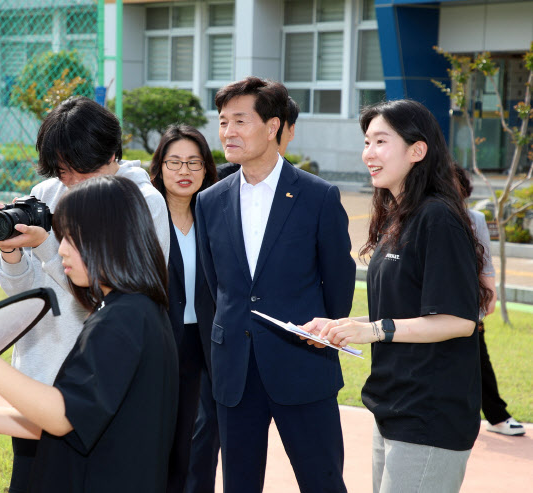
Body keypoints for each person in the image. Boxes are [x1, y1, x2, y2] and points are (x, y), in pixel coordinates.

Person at [0, 175, 178, 492]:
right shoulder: (137, 310)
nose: (61, 250)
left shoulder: (121, 320)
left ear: (108, 238)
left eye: (71, 238)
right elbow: (78, 422)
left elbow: (63, 416)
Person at [304, 99, 493, 493]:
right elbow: (402, 312)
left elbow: (458, 320)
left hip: (429, 415)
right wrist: (341, 326)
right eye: (367, 141)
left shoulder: (437, 217)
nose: (368, 153)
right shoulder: (398, 215)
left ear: (417, 150)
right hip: (392, 408)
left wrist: (372, 330)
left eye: (380, 141)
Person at [0, 96, 170, 491]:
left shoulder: (142, 202)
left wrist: (49, 246)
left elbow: (119, 285)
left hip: (97, 377)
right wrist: (12, 251)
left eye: (75, 168)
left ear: (108, 152)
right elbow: (28, 292)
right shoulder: (47, 191)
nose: (67, 179)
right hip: (41, 366)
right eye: (60, 167)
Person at [194, 76, 356, 493]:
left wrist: (324, 334)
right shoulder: (210, 200)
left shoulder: (318, 196)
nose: (228, 131)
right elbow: (215, 287)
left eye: (240, 121)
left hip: (303, 365)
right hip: (234, 372)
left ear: (272, 127)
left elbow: (338, 281)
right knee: (239, 484)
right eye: (223, 121)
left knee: (322, 481)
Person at [148, 124, 217, 492]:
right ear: (159, 168)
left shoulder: (215, 217)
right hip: (159, 340)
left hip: (202, 343)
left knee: (196, 444)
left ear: (206, 169)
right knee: (159, 439)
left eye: (194, 162)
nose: (185, 171)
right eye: (174, 162)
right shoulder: (147, 219)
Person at [454, 165, 525, 436]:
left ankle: (497, 416)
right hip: (431, 304)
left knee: (478, 360)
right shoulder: (426, 215)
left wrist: (489, 297)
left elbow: (485, 264)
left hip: (467, 303)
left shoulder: (475, 219)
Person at [216, 94, 299, 180]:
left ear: (291, 131)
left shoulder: (304, 185)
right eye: (224, 123)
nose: (228, 133)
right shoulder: (218, 180)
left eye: (274, 128)